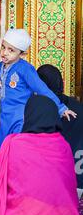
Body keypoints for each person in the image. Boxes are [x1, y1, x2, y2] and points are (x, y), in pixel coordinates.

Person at [0, 28, 76, 168]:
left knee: (16, 153)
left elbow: (42, 89)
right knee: (0, 150)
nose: (4, 52)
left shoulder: (26, 69)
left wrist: (60, 108)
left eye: (11, 50)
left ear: (22, 54)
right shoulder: (0, 66)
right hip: (5, 116)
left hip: (21, 117)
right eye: (3, 47)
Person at [37, 64, 83, 193]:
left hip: (54, 184)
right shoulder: (78, 107)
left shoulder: (41, 111)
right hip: (79, 180)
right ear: (61, 83)